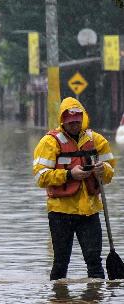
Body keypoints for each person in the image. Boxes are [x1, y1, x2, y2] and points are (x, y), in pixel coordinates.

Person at [32, 97, 115, 280]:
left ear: (83, 119)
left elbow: (109, 174)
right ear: (63, 121)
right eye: (70, 123)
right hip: (61, 212)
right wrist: (70, 174)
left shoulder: (97, 140)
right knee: (61, 263)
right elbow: (40, 177)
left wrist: (103, 169)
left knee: (94, 262)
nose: (74, 125)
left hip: (90, 212)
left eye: (77, 121)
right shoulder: (49, 142)